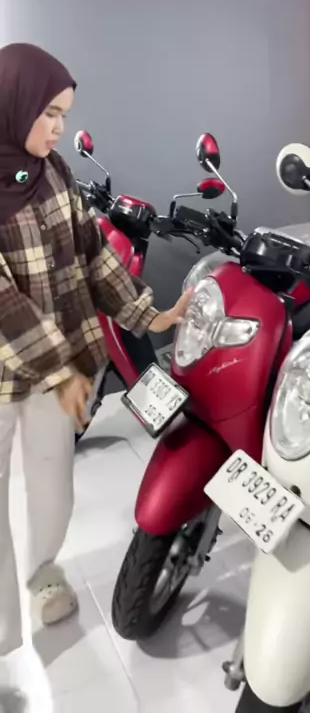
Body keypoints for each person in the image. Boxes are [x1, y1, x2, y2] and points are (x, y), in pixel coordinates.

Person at [0, 43, 191, 663]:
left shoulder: (54, 170)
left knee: (52, 487)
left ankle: (43, 575)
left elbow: (92, 252)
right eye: (49, 113)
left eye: (64, 114)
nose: (58, 127)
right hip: (15, 370)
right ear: (14, 104)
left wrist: (148, 315)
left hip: (58, 373)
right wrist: (58, 369)